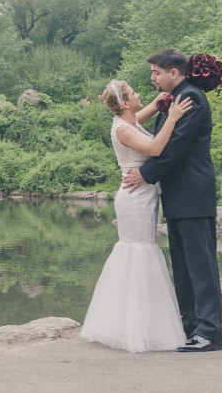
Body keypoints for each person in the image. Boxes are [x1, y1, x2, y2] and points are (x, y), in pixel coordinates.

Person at [122, 48, 222, 352]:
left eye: (156, 72)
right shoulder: (174, 99)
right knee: (183, 265)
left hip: (194, 193)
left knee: (201, 266)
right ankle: (190, 327)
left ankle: (209, 334)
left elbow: (176, 147)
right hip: (178, 195)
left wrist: (146, 174)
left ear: (174, 73)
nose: (152, 77)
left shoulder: (191, 98)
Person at [80, 79, 193, 352]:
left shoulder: (128, 120)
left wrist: (163, 99)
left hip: (143, 195)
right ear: (126, 102)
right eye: (133, 93)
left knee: (138, 251)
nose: (139, 93)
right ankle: (137, 327)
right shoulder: (123, 130)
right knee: (140, 251)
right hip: (135, 199)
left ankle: (139, 322)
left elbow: (146, 112)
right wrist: (174, 117)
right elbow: (155, 149)